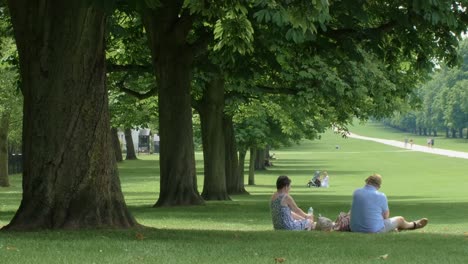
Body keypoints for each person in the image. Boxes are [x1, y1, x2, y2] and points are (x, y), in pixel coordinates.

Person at [350, 174, 428, 233]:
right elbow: (386, 216)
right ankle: (413, 225)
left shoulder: (356, 192)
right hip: (373, 230)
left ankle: (396, 228)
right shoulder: (381, 196)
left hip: (354, 228)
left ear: (367, 181)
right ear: (379, 186)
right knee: (400, 219)